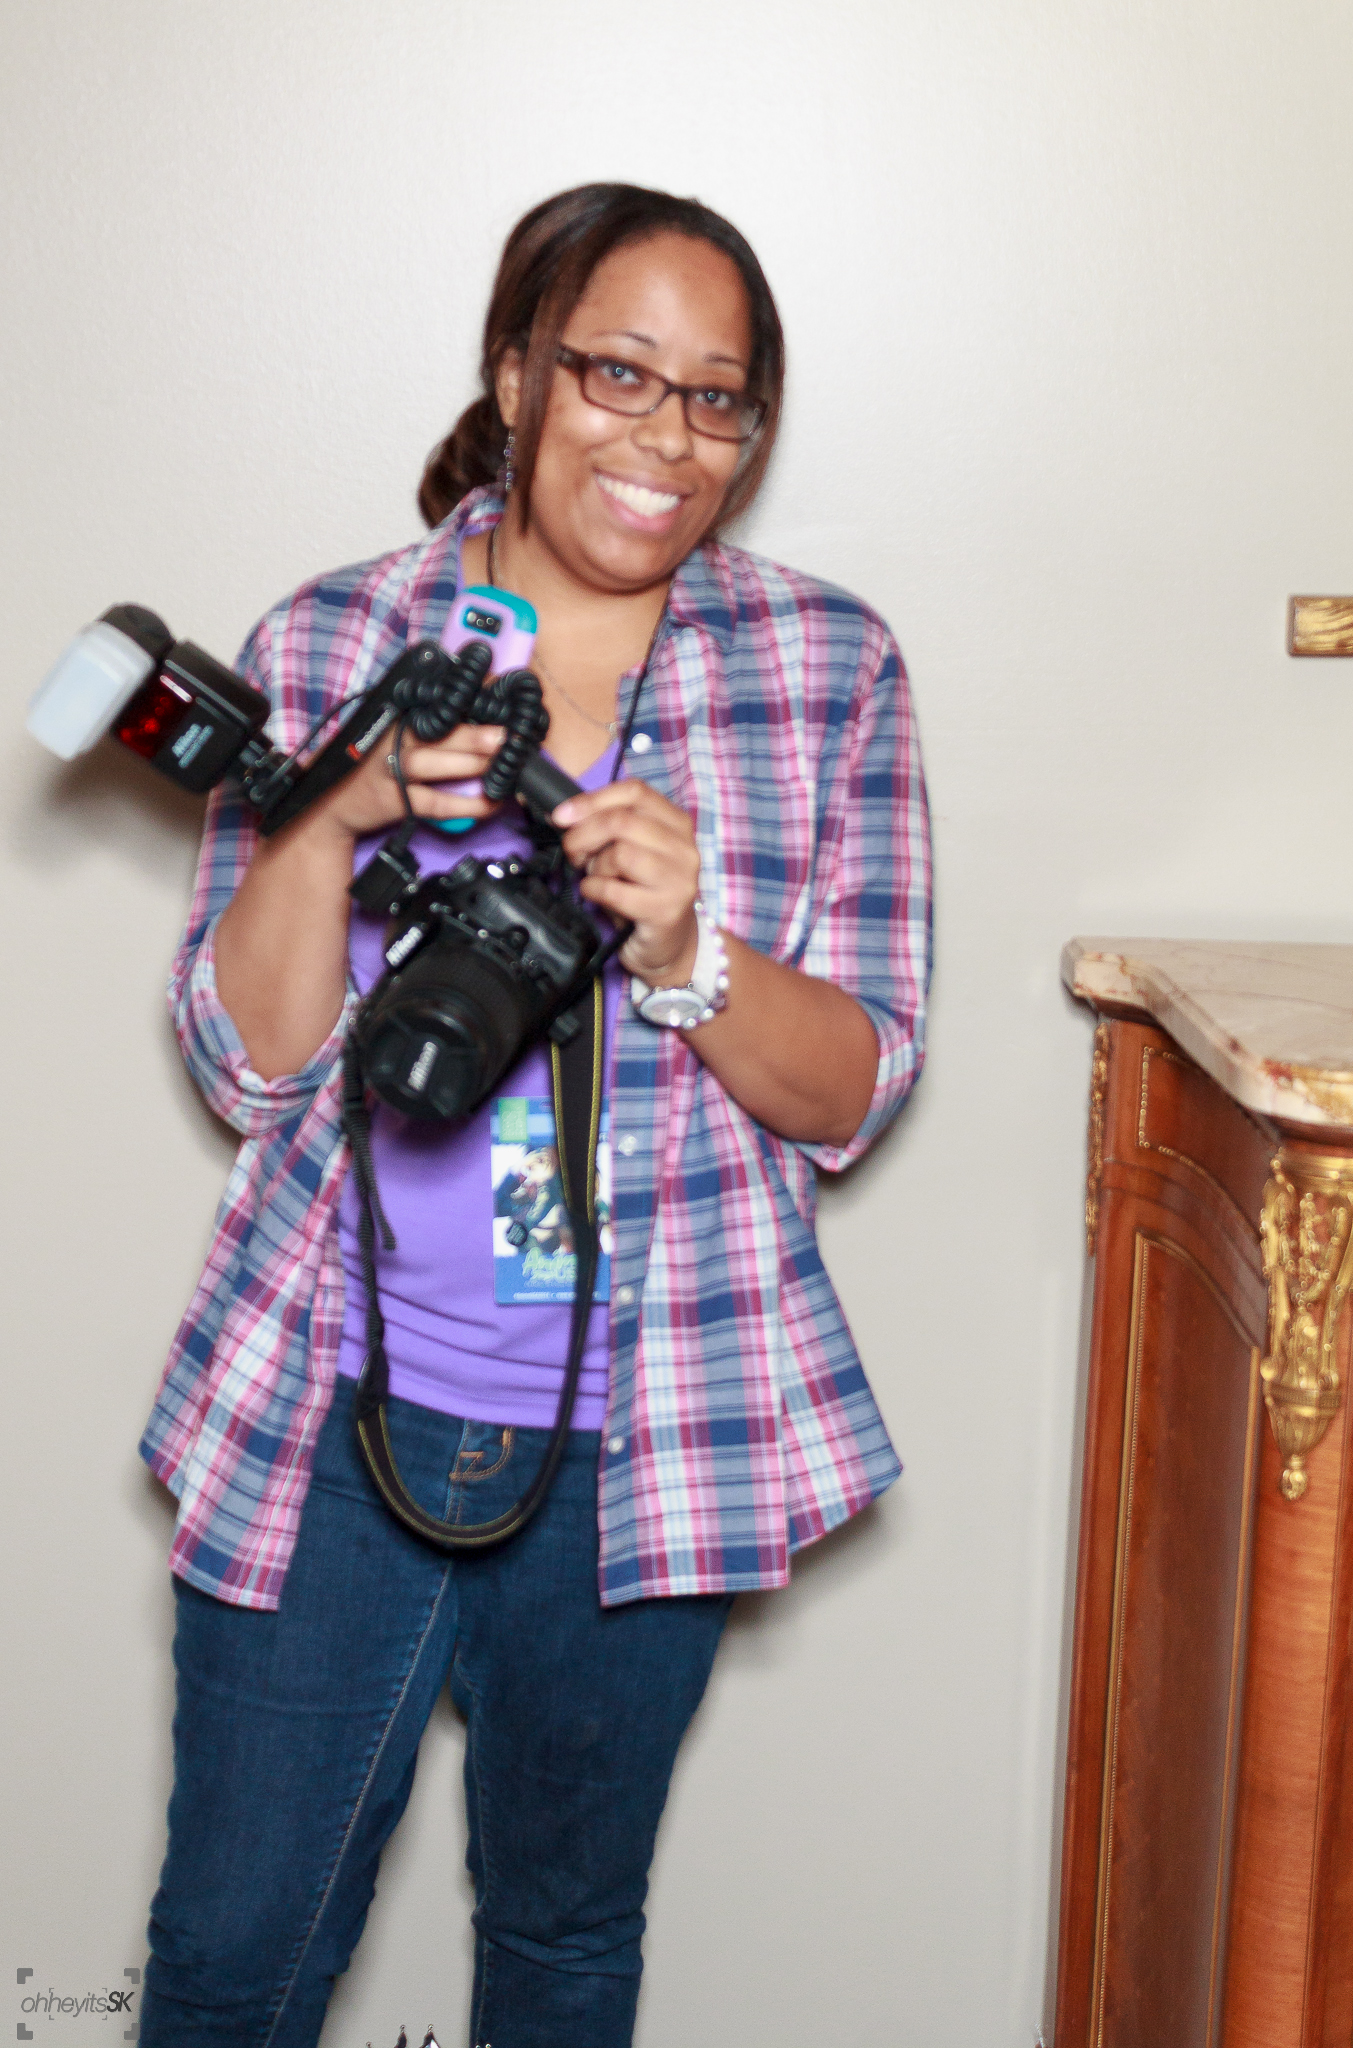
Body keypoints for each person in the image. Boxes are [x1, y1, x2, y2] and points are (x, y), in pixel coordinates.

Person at [137, 182, 932, 2048]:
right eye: (615, 372)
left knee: (566, 1946)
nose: (665, 436)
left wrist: (692, 948)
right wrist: (338, 812)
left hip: (646, 1437)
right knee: (234, 1963)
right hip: (332, 1408)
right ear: (516, 374)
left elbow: (856, 1085)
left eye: (716, 397)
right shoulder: (337, 633)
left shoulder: (826, 668)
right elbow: (247, 1064)